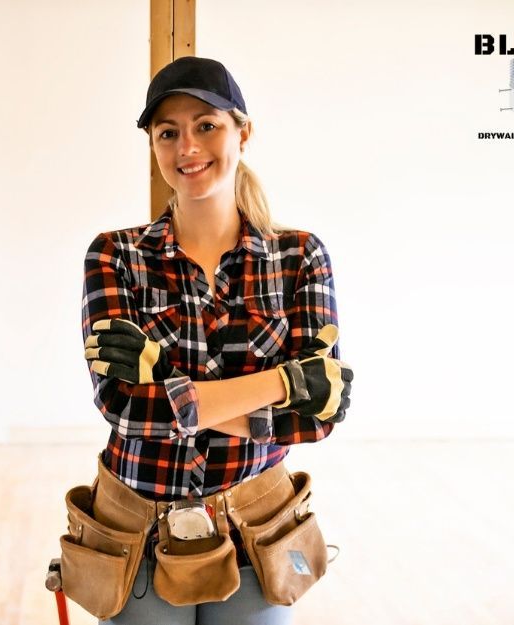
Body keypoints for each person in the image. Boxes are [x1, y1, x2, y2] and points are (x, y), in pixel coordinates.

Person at [73, 56, 353, 625]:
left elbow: (318, 417)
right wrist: (281, 382)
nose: (187, 147)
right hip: (136, 529)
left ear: (242, 132)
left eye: (207, 125)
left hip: (258, 530)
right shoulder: (115, 254)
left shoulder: (299, 256)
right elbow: (122, 406)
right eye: (167, 132)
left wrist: (168, 386)